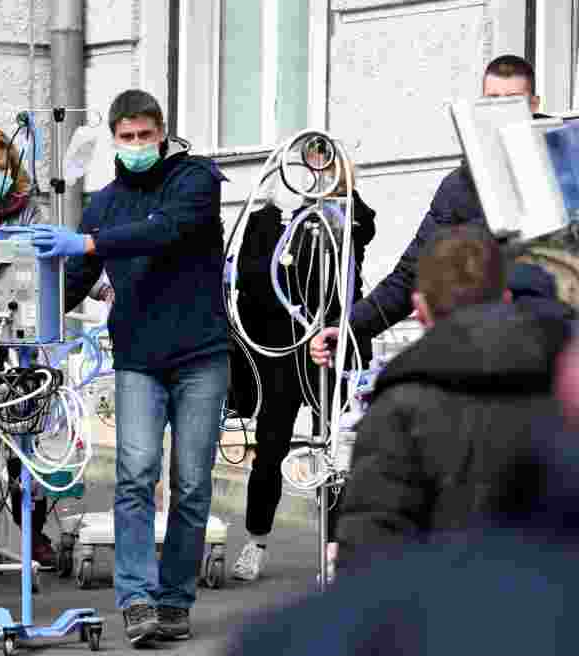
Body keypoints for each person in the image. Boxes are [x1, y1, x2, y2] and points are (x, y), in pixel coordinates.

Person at [31, 89, 230, 645]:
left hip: (201, 356)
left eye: (146, 136)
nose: (138, 145)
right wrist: (27, 321)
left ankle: (175, 600)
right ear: (114, 140)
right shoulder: (104, 204)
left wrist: (87, 241)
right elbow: (72, 280)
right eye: (128, 137)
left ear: (161, 134)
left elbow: (166, 228)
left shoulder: (195, 180)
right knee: (136, 475)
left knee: (191, 485)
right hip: (139, 358)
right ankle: (136, 599)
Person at [335, 226, 571, 566]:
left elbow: (370, 555)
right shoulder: (563, 387)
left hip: (440, 610)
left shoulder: (397, 408)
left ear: (419, 308)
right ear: (505, 297)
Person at [310, 55, 547, 369]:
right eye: (491, 103)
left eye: (511, 103)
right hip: (486, 357)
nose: (499, 115)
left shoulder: (562, 168)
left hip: (555, 356)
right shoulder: (459, 187)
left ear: (533, 104)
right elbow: (412, 274)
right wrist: (350, 327)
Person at [0, 125, 113, 568]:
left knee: (36, 431)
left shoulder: (32, 214)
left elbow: (65, 261)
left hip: (30, 337)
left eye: (4, 167)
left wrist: (105, 290)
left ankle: (33, 529)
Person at [229, 153, 376, 582]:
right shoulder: (264, 221)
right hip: (281, 351)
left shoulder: (341, 216)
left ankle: (335, 549)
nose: (306, 177)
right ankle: (256, 539)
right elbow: (250, 285)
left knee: (335, 449)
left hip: (333, 347)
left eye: (318, 167)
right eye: (300, 168)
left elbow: (361, 228)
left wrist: (339, 188)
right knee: (270, 445)